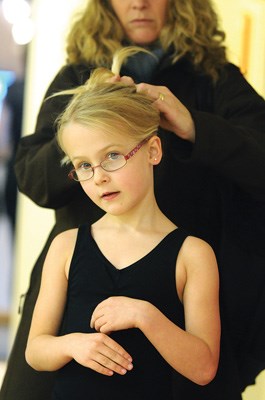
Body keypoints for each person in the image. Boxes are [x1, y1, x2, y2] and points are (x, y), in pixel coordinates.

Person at [1, 0, 265, 399]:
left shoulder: (215, 79)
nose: (138, 2)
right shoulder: (75, 77)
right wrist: (86, 124)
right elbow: (34, 180)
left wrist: (195, 126)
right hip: (80, 290)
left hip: (179, 293)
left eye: (114, 156)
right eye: (86, 165)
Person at [25, 50, 221, 399]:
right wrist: (73, 346)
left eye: (112, 156)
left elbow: (204, 368)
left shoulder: (193, 255)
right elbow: (36, 351)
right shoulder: (66, 246)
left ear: (152, 151)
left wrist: (146, 315)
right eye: (84, 165)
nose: (98, 177)